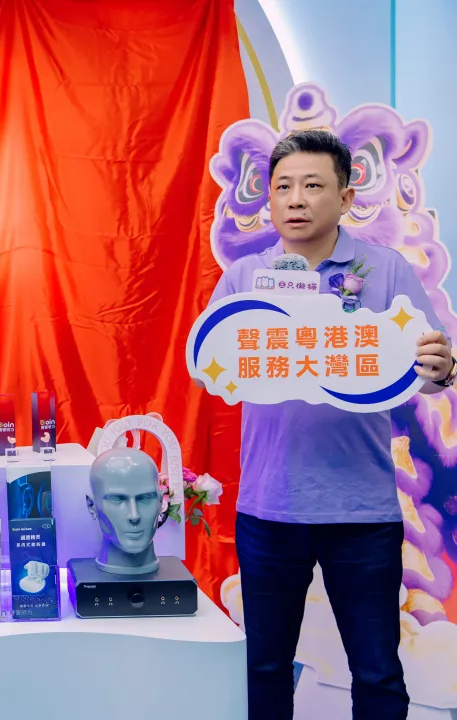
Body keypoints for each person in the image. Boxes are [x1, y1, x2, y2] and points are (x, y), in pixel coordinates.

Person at [203, 129, 454, 720]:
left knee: (378, 672)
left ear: (345, 197)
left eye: (313, 185)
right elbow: (211, 361)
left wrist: (443, 368)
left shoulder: (385, 270)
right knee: (265, 669)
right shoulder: (246, 279)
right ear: (269, 198)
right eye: (283, 187)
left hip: (362, 513)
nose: (295, 199)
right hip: (269, 509)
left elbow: (429, 370)